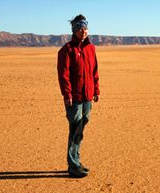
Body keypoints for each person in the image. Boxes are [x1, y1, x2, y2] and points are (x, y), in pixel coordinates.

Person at [57, 14, 100, 178]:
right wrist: (66, 95)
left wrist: (96, 90)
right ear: (74, 30)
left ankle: (76, 160)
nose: (84, 30)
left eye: (86, 27)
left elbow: (94, 71)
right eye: (80, 28)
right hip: (74, 98)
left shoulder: (91, 49)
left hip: (88, 96)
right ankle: (73, 165)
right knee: (75, 129)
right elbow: (64, 75)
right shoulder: (66, 50)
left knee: (81, 129)